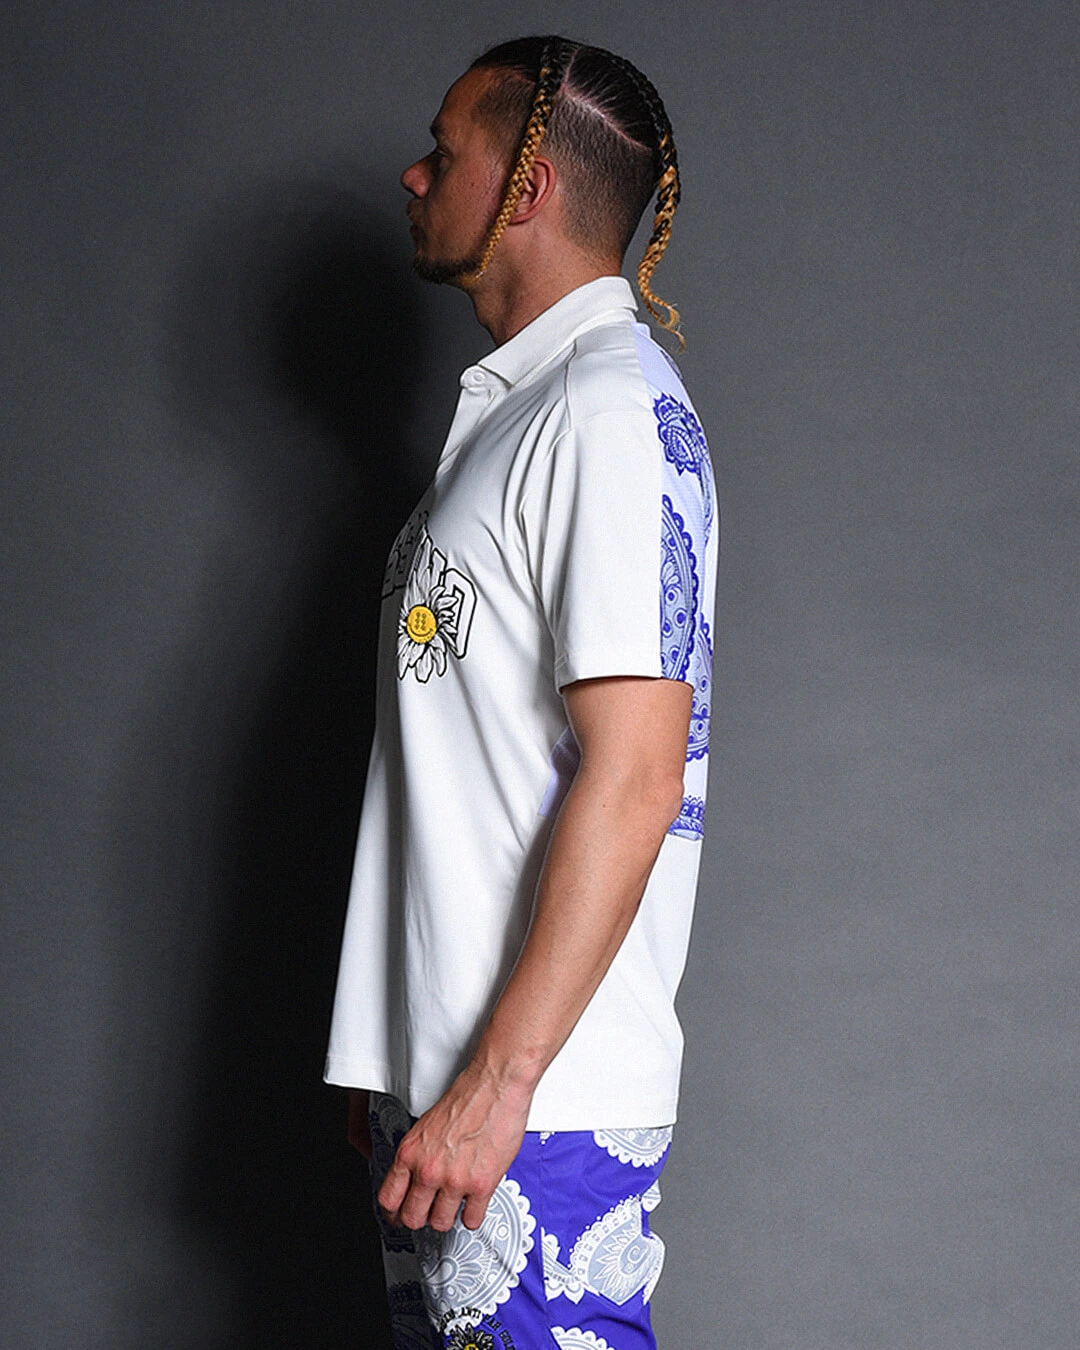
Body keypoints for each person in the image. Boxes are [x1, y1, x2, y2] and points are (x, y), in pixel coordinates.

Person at [324, 34, 717, 1350]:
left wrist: (497, 1081)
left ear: (528, 185)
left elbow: (637, 773)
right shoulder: (521, 412)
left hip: (532, 1103)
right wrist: (393, 1044)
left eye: (445, 151)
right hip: (455, 1081)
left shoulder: (606, 412)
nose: (414, 172)